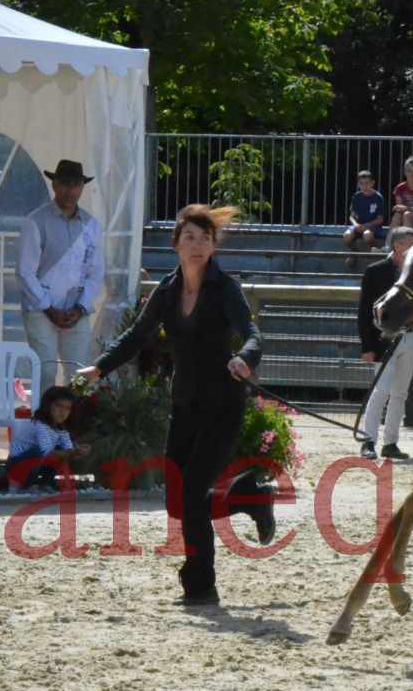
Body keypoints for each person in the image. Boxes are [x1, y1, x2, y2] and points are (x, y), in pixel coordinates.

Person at [76, 204, 270, 607]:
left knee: (195, 493)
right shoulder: (166, 290)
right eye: (189, 238)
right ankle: (249, 496)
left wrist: (244, 359)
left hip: (222, 406)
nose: (196, 245)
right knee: (177, 502)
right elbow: (135, 335)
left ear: (213, 246)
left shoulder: (225, 288)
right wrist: (101, 366)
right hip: (184, 406)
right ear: (176, 245)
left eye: (204, 238)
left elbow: (252, 334)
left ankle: (200, 586)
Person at [18, 159, 104, 386]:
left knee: (80, 375)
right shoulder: (35, 221)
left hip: (76, 310)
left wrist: (80, 306)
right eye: (65, 184)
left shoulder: (91, 225)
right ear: (54, 185)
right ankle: (42, 421)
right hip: (40, 309)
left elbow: (96, 273)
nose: (70, 190)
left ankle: (74, 421)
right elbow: (25, 272)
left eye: (75, 184)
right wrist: (48, 307)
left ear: (82, 187)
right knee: (44, 374)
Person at [354, 226, 413, 460]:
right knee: (381, 391)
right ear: (397, 245)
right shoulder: (376, 271)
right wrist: (367, 347)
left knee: (400, 392)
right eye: (410, 243)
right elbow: (363, 311)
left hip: (410, 335)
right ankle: (368, 440)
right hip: (383, 338)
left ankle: (391, 442)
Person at [5, 384, 80, 491]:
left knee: (61, 452)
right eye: (58, 406)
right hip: (16, 465)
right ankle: (26, 485)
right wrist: (70, 452)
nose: (63, 412)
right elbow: (47, 452)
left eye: (67, 408)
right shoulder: (39, 424)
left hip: (35, 465)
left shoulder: (61, 430)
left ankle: (46, 484)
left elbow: (68, 450)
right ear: (48, 405)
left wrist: (77, 451)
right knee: (41, 451)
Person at [342, 170, 387, 251]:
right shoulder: (356, 196)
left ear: (372, 183)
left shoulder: (378, 197)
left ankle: (376, 250)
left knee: (367, 235)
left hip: (373, 227)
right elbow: (351, 216)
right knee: (346, 236)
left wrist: (367, 225)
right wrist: (355, 224)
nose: (364, 186)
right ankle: (354, 252)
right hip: (358, 226)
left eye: (367, 183)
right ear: (358, 184)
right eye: (361, 183)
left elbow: (380, 219)